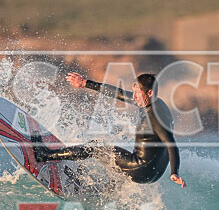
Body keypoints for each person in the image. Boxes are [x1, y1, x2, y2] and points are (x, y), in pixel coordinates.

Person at [34, 72, 186, 188]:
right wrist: (86, 83)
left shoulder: (156, 117)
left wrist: (175, 173)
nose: (134, 97)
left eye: (138, 94)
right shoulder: (153, 103)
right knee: (113, 158)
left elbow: (172, 145)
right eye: (134, 93)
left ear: (149, 93)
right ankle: (103, 187)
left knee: (95, 148)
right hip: (154, 171)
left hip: (141, 167)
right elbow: (118, 93)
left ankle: (45, 156)